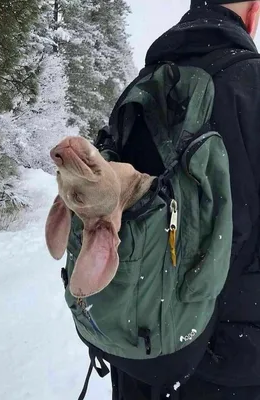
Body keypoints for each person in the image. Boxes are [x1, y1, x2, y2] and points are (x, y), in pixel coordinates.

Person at [110, 1, 260, 399]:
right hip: (234, 361)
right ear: (253, 14)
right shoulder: (253, 84)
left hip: (140, 349)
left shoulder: (142, 85)